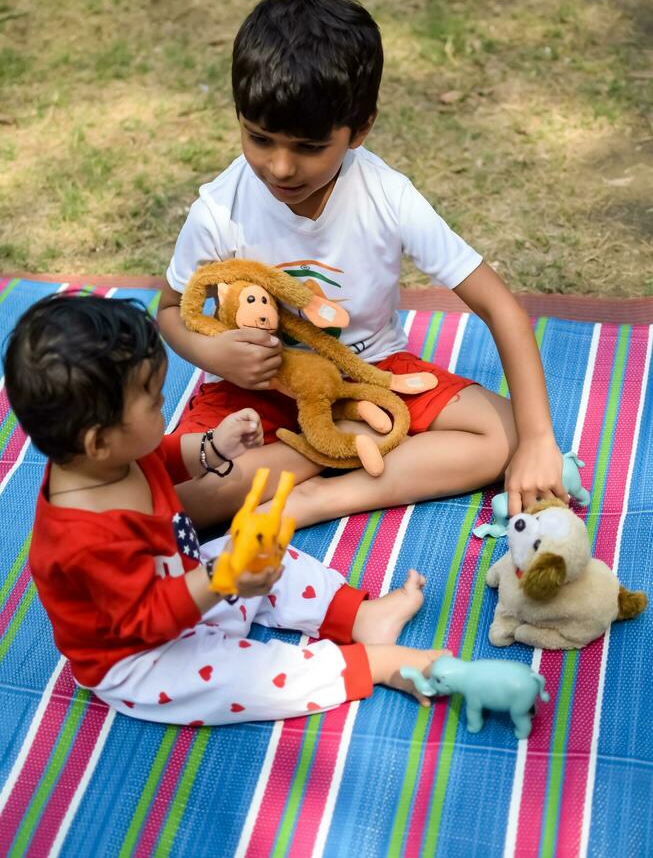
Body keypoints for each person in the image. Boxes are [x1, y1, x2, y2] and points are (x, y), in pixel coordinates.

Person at [158, 0, 567, 531]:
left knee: (507, 434)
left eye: (307, 147)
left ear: (361, 128)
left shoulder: (388, 196)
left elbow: (502, 310)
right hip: (259, 391)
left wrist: (540, 440)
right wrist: (219, 356)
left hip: (374, 375)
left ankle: (317, 496)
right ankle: (332, 449)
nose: (280, 167)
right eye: (259, 139)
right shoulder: (218, 209)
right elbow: (168, 312)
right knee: (182, 499)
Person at [4, 293, 448, 725]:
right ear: (98, 441)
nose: (165, 408)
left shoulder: (108, 459)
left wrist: (214, 446)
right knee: (245, 677)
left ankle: (360, 616)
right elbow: (149, 618)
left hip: (188, 582)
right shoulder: (81, 542)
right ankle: (369, 665)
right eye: (156, 402)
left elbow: (163, 456)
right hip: (143, 657)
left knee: (268, 548)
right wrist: (221, 579)